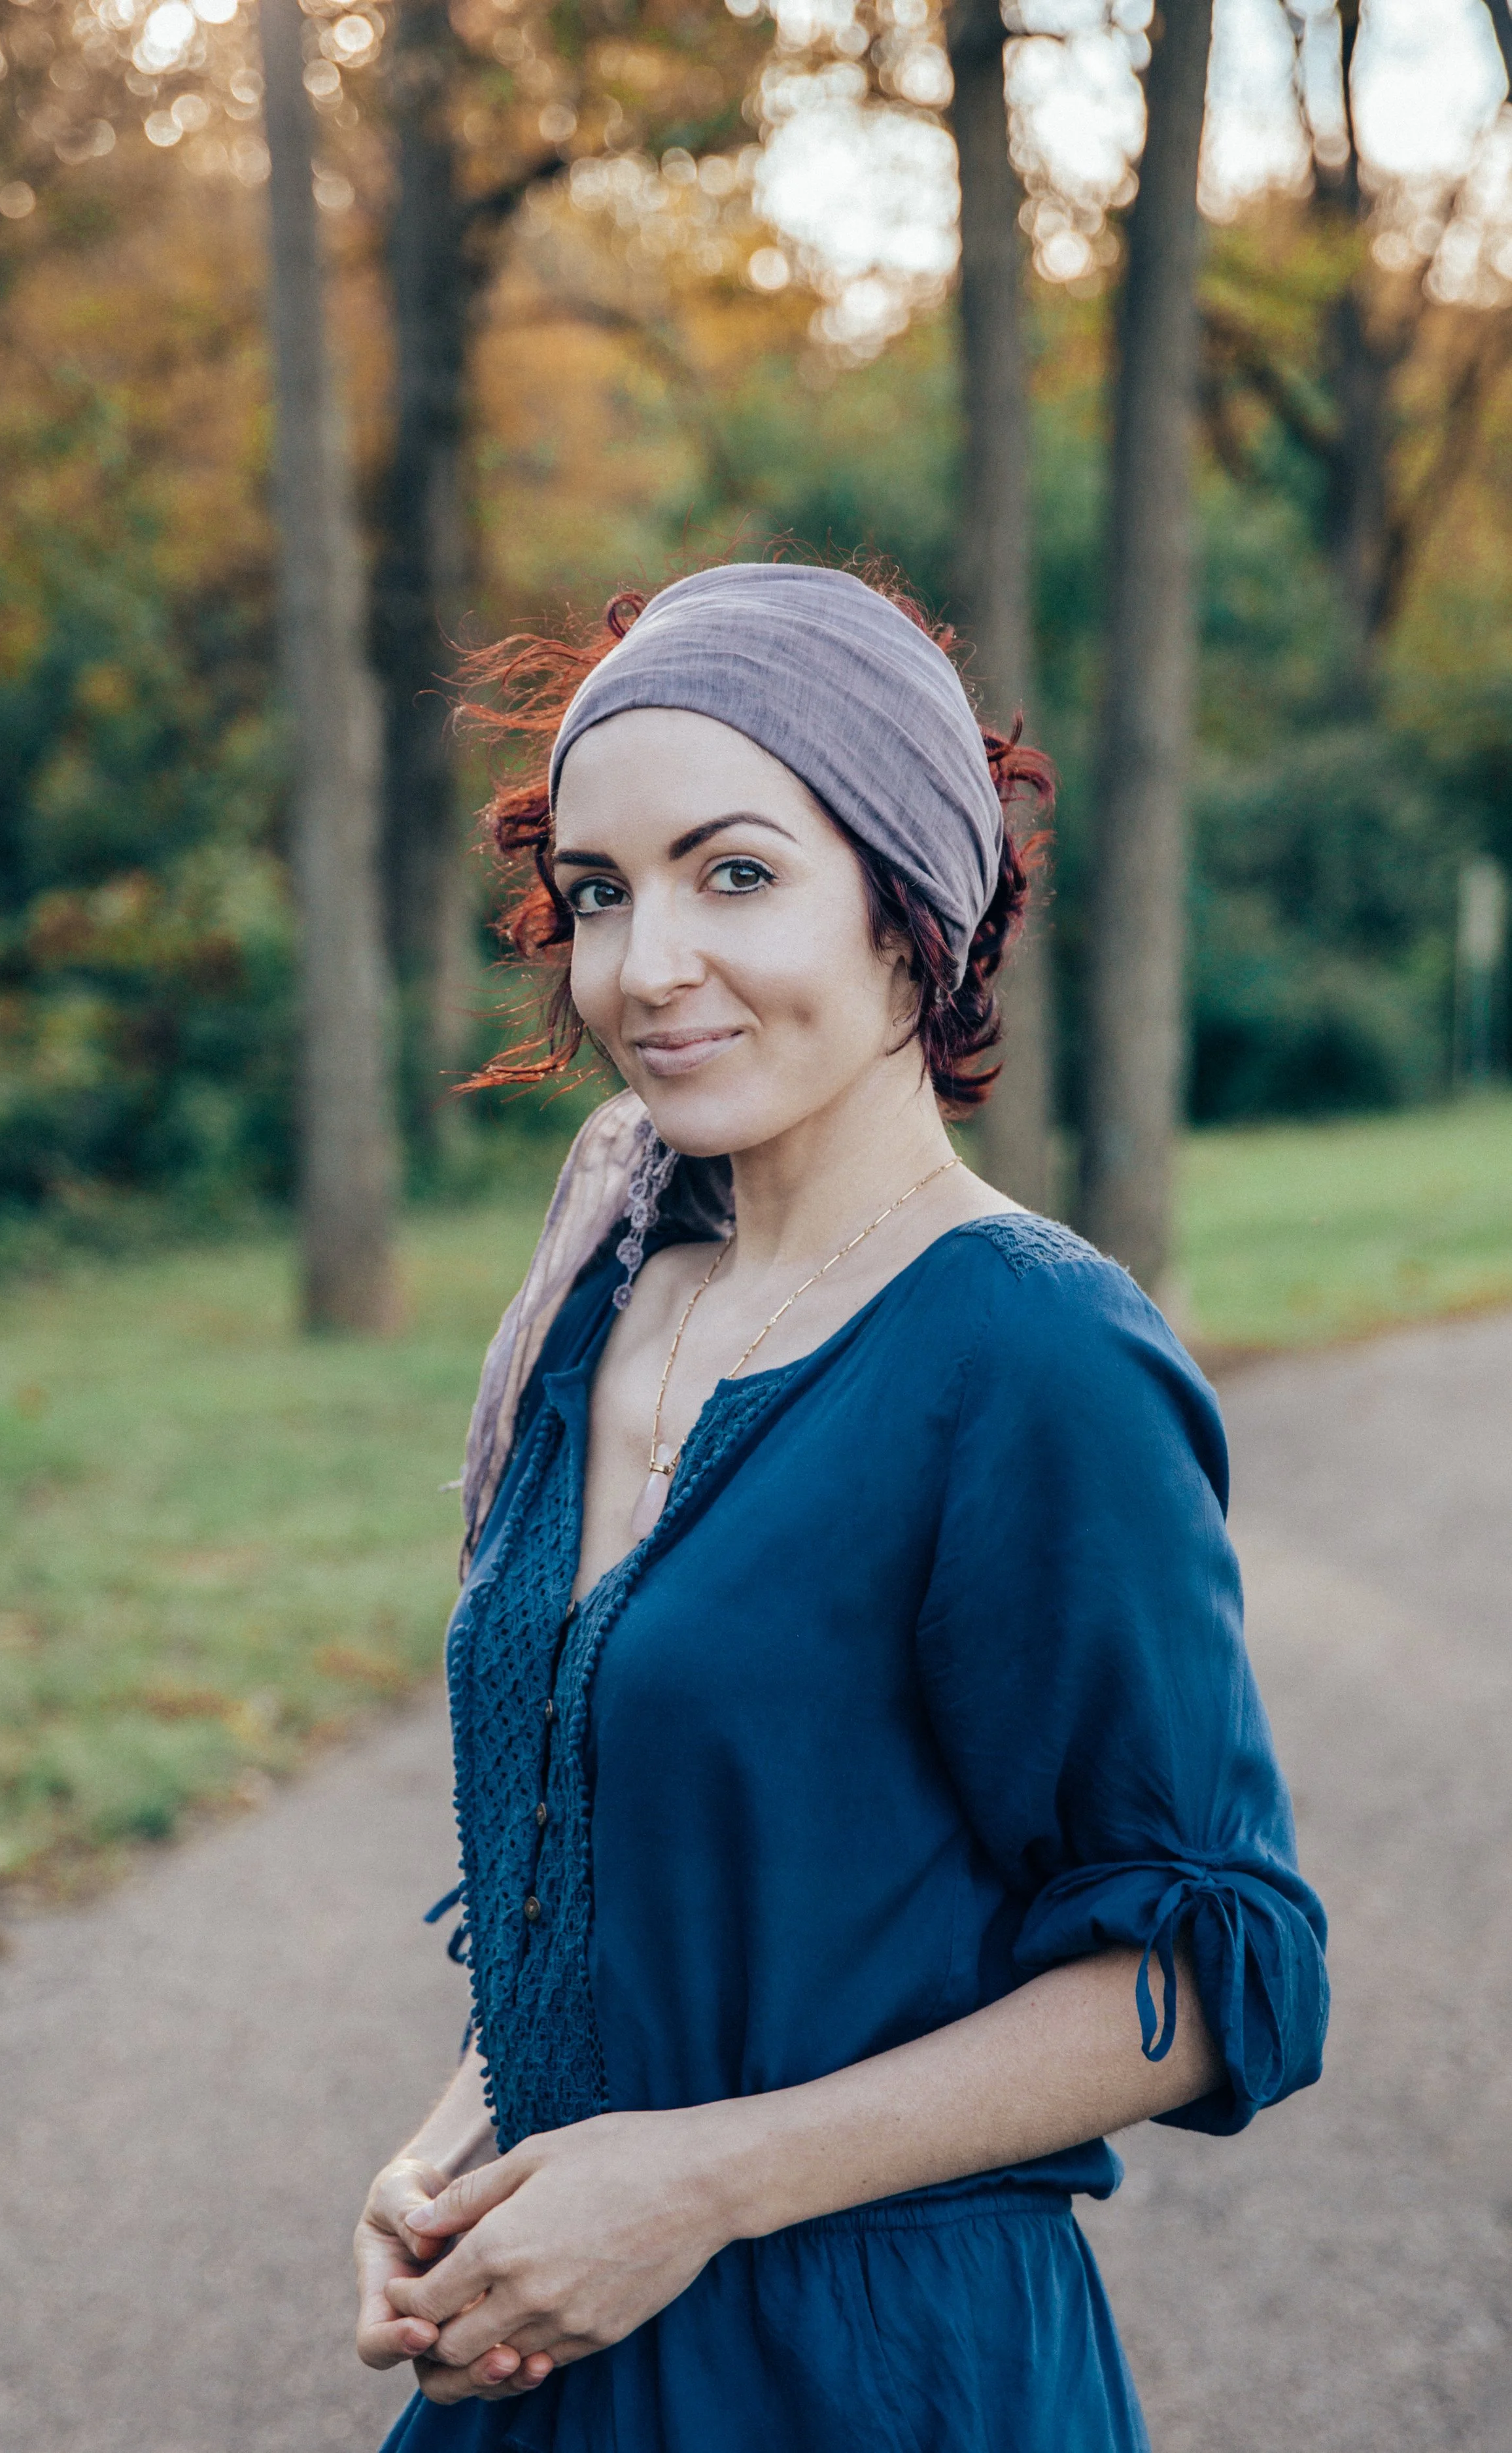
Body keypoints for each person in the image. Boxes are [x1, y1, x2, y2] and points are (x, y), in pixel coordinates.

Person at [353, 559, 1329, 2452]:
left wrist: (699, 2181)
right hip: (550, 2358)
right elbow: (622, 1894)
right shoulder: (594, 1304)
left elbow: (1219, 1977)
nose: (644, 967)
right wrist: (450, 2154)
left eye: (735, 873)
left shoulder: (1028, 1357)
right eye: (598, 894)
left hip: (871, 2372)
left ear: (907, 909)